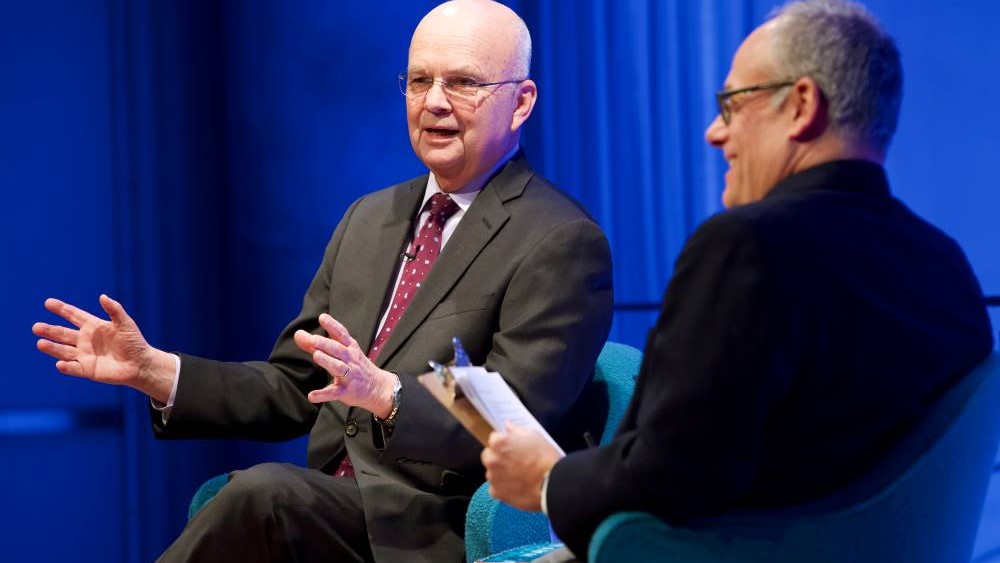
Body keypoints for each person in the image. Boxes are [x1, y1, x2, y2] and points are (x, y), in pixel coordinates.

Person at [32, 1, 613, 562]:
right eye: (418, 82)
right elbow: (295, 387)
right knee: (265, 498)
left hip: (437, 522)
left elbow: (513, 426)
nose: (434, 102)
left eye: (462, 83)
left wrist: (387, 396)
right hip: (335, 507)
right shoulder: (370, 218)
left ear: (520, 102)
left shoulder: (558, 240)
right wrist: (157, 372)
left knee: (266, 497)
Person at [481, 0, 994, 559]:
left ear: (801, 106)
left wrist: (549, 481)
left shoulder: (748, 247)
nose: (712, 133)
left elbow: (676, 470)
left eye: (731, 104)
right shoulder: (947, 267)